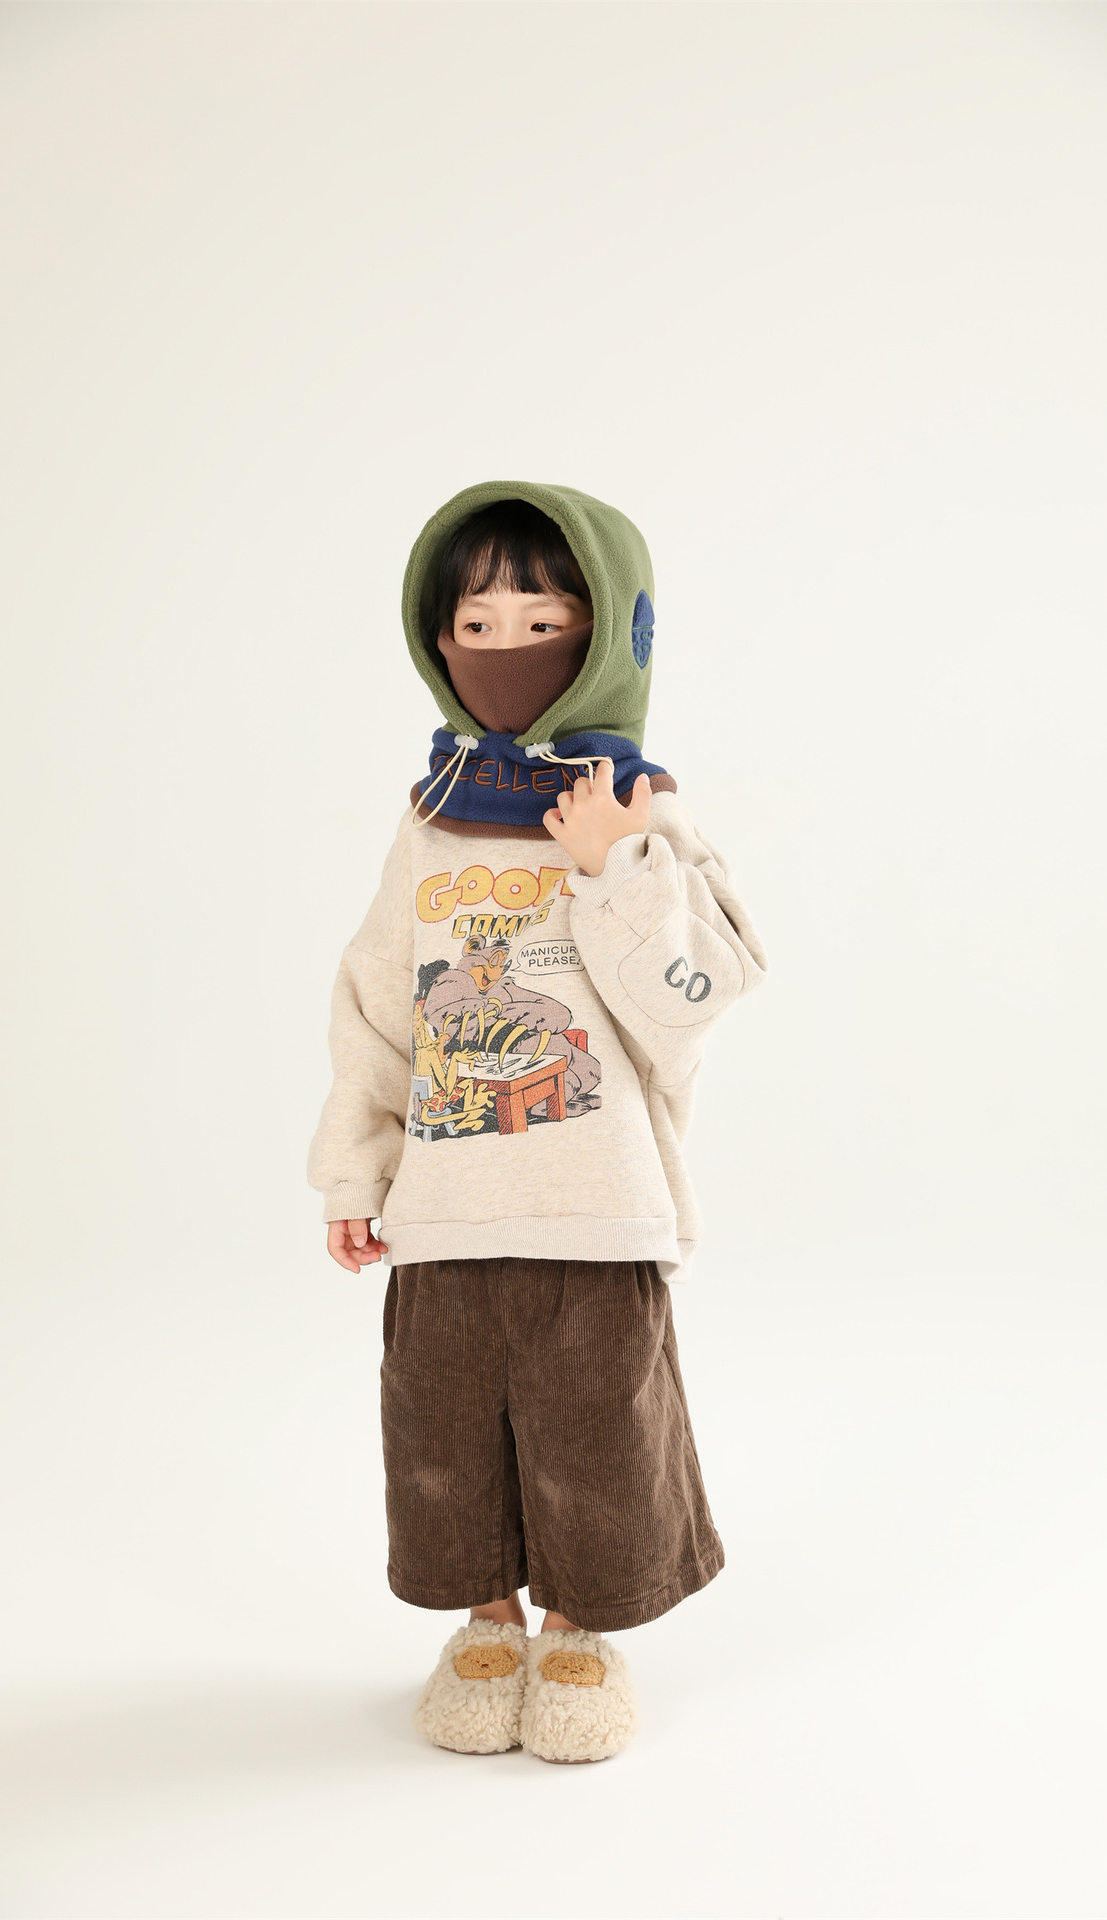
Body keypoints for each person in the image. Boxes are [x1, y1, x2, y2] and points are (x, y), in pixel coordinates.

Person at [308, 483, 767, 1762]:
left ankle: (575, 1632)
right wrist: (353, 1169)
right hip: (446, 1207)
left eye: (541, 619)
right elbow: (377, 1002)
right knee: (441, 1429)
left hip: (596, 1202)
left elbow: (696, 996)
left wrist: (617, 860)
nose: (504, 647)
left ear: (605, 633)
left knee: (595, 1431)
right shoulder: (431, 815)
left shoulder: (643, 809)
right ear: (435, 639)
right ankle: (485, 1623)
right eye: (476, 623)